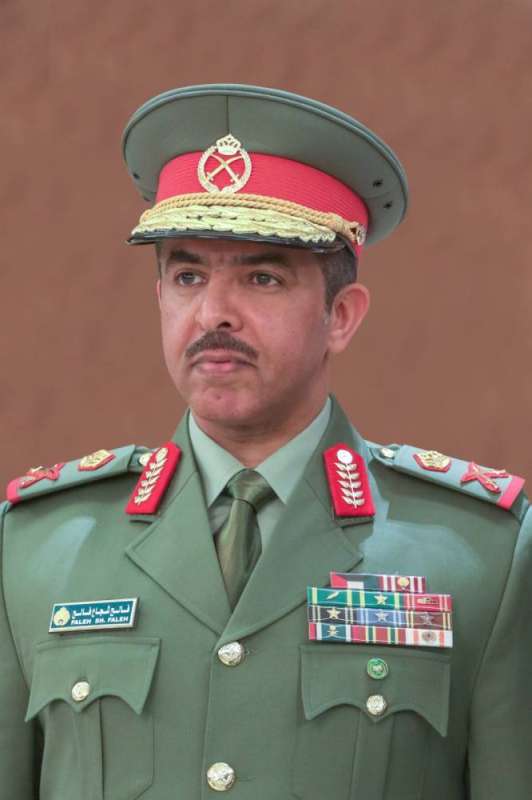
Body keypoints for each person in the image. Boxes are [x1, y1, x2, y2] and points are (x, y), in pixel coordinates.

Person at [0, 84, 530, 800]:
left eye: (262, 277)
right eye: (188, 275)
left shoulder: (480, 555)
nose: (213, 313)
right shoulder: (35, 548)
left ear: (340, 316)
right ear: (160, 300)